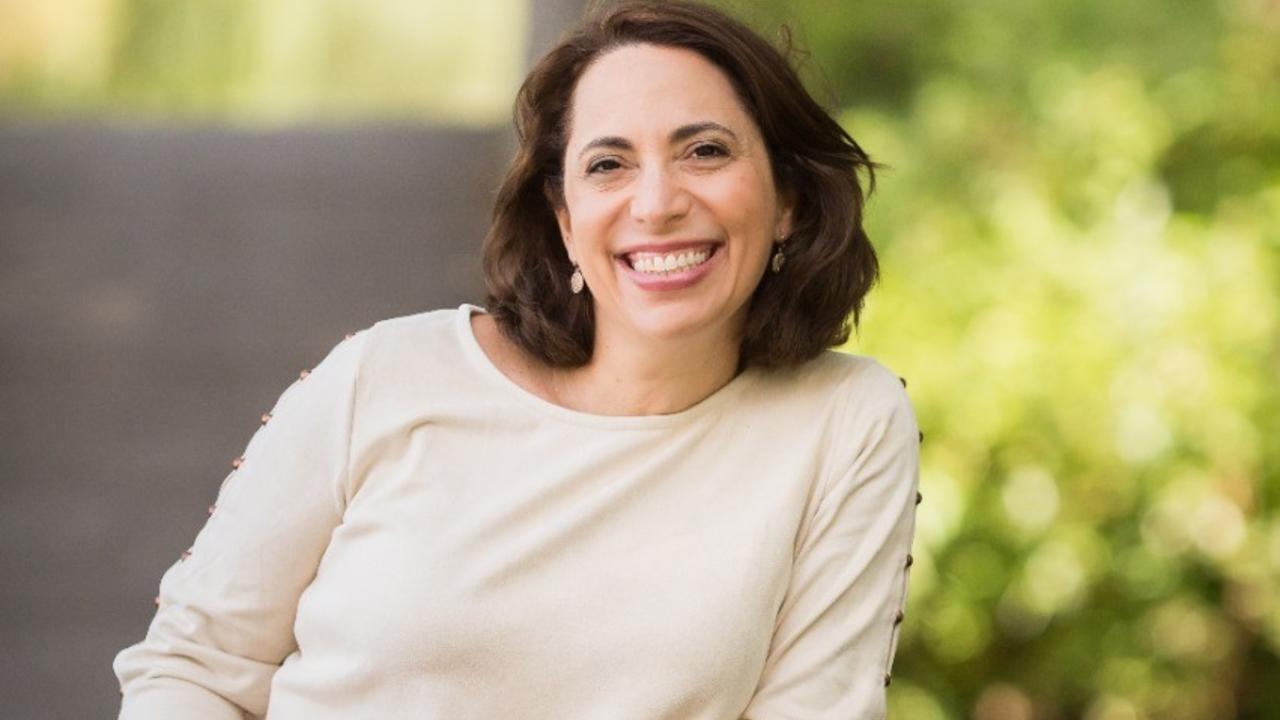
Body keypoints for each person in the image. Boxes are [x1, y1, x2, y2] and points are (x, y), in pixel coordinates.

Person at [113, 1, 922, 718]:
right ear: (566, 222)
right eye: (608, 165)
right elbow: (193, 667)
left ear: (787, 200)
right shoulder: (382, 376)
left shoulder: (844, 423)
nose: (657, 204)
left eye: (705, 151)